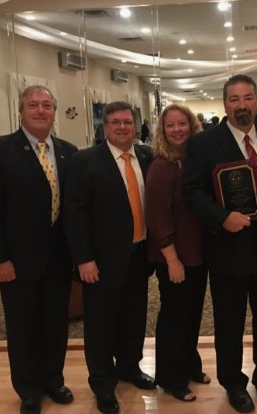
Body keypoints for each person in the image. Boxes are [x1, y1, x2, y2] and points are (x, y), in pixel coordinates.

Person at [182, 74, 257, 413]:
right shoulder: (204, 143)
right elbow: (192, 192)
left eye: (248, 98)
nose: (241, 105)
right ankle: (233, 383)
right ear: (224, 103)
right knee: (229, 321)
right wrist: (220, 217)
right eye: (234, 99)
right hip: (228, 247)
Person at [0, 85, 78, 414]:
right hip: (16, 261)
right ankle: (28, 388)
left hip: (59, 259)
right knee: (22, 325)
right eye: (33, 105)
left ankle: (53, 379)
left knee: (55, 323)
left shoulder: (68, 151)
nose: (40, 110)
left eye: (46, 105)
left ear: (54, 111)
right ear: (20, 111)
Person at [63, 101, 155, 414]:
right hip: (100, 262)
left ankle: (129, 367)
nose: (122, 127)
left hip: (140, 255)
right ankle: (102, 382)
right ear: (105, 127)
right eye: (115, 122)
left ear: (135, 125)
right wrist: (83, 259)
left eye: (127, 122)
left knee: (134, 316)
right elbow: (74, 215)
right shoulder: (84, 161)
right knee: (101, 325)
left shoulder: (146, 156)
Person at [145, 103, 210, 402]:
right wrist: (172, 260)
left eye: (182, 123)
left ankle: (189, 365)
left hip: (197, 254)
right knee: (173, 318)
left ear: (192, 125)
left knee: (192, 315)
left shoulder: (196, 160)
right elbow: (158, 219)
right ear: (162, 131)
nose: (177, 130)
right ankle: (171, 378)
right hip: (174, 257)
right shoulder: (162, 166)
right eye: (170, 125)